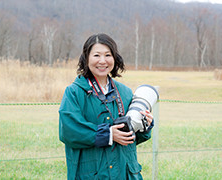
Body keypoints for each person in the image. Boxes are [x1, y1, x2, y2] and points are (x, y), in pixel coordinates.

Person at [59, 33, 154, 180]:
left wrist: (144, 125)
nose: (102, 61)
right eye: (96, 55)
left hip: (125, 173)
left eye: (108, 55)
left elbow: (132, 139)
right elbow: (69, 131)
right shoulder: (74, 92)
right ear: (86, 58)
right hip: (92, 174)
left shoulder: (125, 92)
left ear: (115, 58)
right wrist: (108, 134)